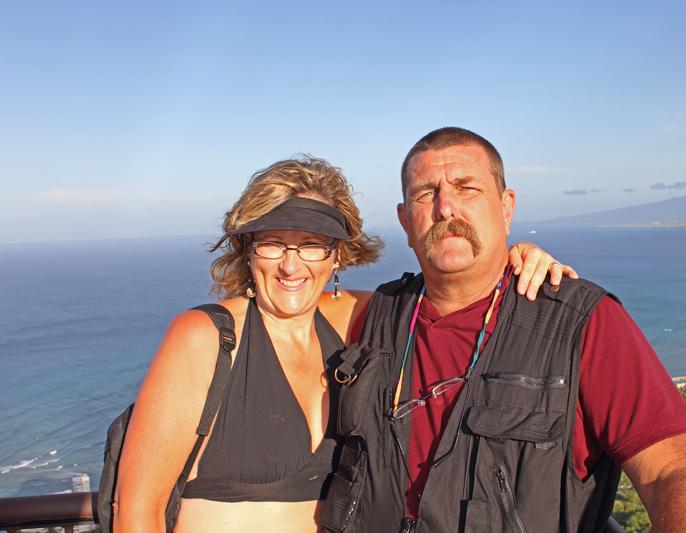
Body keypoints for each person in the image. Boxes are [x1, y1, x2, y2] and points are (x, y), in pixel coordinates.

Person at [114, 156, 575, 533]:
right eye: (273, 243)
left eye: (311, 244)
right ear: (248, 250)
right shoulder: (205, 337)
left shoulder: (357, 318)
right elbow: (137, 511)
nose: (291, 267)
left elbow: (454, 297)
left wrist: (514, 262)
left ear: (336, 255)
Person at [323, 128, 686, 532]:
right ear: (405, 220)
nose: (445, 208)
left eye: (467, 188)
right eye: (425, 194)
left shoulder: (579, 322)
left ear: (506, 207)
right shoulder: (373, 315)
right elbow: (275, 298)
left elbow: (670, 472)